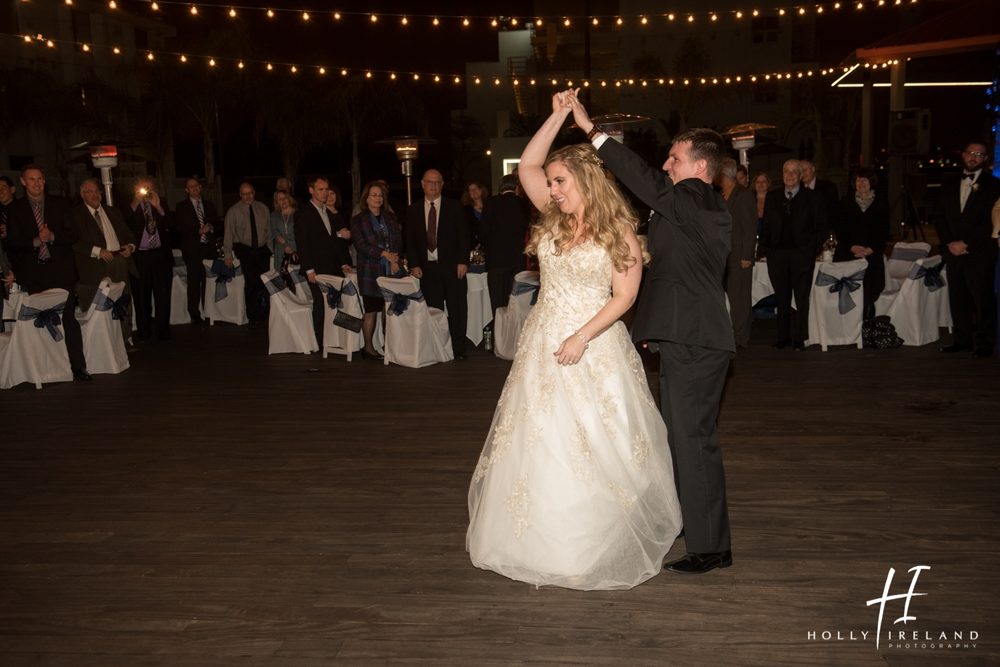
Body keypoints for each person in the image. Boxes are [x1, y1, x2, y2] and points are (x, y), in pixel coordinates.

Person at [467, 91, 682, 590]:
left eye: (561, 182)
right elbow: (529, 164)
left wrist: (582, 336)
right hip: (543, 342)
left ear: (584, 180)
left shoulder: (619, 230)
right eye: (553, 183)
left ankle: (593, 539)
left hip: (594, 341)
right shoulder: (554, 215)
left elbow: (626, 295)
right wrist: (560, 114)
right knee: (539, 438)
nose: (553, 189)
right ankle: (536, 539)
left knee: (594, 440)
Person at [570, 91, 735, 575]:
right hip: (688, 335)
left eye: (675, 158)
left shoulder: (695, 196)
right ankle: (698, 523)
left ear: (701, 167)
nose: (666, 164)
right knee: (683, 437)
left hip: (696, 337)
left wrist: (592, 131)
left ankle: (710, 548)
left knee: (693, 439)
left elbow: (645, 182)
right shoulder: (694, 206)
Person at [5, 164, 91, 380]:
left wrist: (52, 237)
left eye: (40, 179)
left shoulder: (60, 205)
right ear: (23, 182)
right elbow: (12, 244)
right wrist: (35, 241)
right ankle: (46, 368)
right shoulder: (14, 210)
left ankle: (78, 367)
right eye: (32, 179)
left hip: (61, 271)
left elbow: (73, 235)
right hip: (34, 274)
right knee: (40, 321)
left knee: (69, 319)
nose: (37, 183)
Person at [934, 141, 1000, 357]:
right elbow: (940, 217)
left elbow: (990, 221)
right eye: (970, 153)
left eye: (979, 154)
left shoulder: (994, 185)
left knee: (982, 299)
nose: (973, 157)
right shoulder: (948, 182)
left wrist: (967, 243)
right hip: (953, 250)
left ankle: (984, 343)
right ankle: (962, 340)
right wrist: (949, 244)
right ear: (963, 155)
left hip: (979, 251)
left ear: (985, 159)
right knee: (958, 297)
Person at [759, 159, 826, 350]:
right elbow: (767, 226)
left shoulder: (813, 198)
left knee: (802, 298)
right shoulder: (773, 197)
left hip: (802, 255)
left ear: (801, 175)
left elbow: (821, 227)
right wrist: (766, 249)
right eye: (786, 172)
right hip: (777, 256)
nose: (789, 176)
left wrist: (811, 250)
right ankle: (783, 338)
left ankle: (799, 339)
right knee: (782, 298)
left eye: (793, 172)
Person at [406, 169, 470, 360]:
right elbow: (410, 240)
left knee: (457, 308)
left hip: (452, 267)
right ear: (423, 184)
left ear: (442, 185)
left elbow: (464, 236)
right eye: (430, 182)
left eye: (437, 182)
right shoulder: (413, 209)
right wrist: (414, 264)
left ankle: (458, 349)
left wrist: (462, 262)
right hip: (427, 269)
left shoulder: (455, 207)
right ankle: (437, 346)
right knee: (434, 310)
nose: (433, 186)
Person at [72, 178, 137, 343]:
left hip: (120, 261)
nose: (94, 195)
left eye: (96, 191)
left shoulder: (113, 211)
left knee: (123, 300)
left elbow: (129, 234)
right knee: (100, 305)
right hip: (94, 267)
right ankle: (102, 342)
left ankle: (125, 335)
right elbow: (72, 241)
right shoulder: (75, 214)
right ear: (82, 194)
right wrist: (97, 251)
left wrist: (130, 246)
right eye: (89, 192)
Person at [295, 176, 353, 345]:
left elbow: (332, 242)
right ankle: (320, 342)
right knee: (320, 306)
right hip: (316, 269)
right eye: (321, 189)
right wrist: (309, 269)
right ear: (311, 190)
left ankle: (339, 338)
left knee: (337, 303)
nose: (325, 193)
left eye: (326, 189)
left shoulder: (326, 212)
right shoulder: (304, 213)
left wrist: (342, 262)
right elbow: (302, 243)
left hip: (332, 266)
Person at [350, 181, 403, 360]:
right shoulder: (358, 219)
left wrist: (395, 258)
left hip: (391, 270)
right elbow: (361, 245)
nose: (378, 198)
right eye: (374, 195)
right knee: (371, 310)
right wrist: (385, 255)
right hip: (370, 271)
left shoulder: (390, 217)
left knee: (390, 310)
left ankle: (391, 347)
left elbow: (398, 239)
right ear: (366, 198)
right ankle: (368, 348)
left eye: (380, 195)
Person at [833, 168, 890, 321]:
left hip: (872, 251)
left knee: (871, 284)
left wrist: (871, 248)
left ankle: (867, 321)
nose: (861, 183)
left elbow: (884, 230)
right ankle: (848, 322)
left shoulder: (881, 202)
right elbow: (840, 228)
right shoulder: (845, 202)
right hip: (848, 251)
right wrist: (852, 247)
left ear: (871, 182)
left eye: (865, 180)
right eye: (858, 180)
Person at [717, 158, 757, 348]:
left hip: (740, 256)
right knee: (730, 296)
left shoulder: (744, 195)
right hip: (725, 255)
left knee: (739, 298)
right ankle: (731, 332)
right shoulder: (724, 194)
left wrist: (747, 256)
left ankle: (741, 336)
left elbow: (750, 227)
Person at [480, 173, 531, 319]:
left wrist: (489, 249)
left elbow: (483, 232)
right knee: (515, 303)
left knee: (497, 304)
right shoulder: (522, 204)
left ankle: (499, 338)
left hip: (496, 261)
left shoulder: (490, 202)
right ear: (516, 188)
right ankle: (514, 337)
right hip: (517, 261)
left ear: (501, 188)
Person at [127, 178, 172, 341]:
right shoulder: (129, 205)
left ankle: (163, 331)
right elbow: (125, 224)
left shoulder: (161, 202)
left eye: (148, 187)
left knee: (163, 296)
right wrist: (134, 204)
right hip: (140, 257)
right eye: (142, 188)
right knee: (141, 297)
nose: (145, 191)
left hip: (161, 256)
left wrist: (159, 207)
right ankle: (143, 332)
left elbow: (171, 225)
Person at [223, 182, 271, 327]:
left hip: (262, 250)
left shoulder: (263, 208)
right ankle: (253, 315)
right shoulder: (233, 211)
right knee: (251, 282)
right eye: (244, 194)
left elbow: (268, 231)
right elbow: (228, 234)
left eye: (250, 193)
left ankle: (266, 312)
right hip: (245, 249)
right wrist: (227, 254)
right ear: (240, 195)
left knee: (265, 281)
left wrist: (271, 250)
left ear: (254, 192)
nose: (248, 196)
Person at [174, 177, 219, 324]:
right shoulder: (181, 206)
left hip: (208, 249)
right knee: (194, 282)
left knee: (209, 282)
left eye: (196, 186)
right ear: (187, 190)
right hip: (192, 250)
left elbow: (217, 224)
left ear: (200, 187)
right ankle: (194, 313)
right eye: (190, 186)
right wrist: (198, 231)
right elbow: (179, 228)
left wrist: (211, 227)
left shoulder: (210, 205)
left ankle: (209, 311)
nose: (194, 188)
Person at [269, 190, 297, 269]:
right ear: (277, 202)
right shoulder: (274, 215)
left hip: (296, 248)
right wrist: (285, 245)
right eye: (280, 199)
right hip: (281, 249)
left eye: (285, 198)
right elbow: (275, 232)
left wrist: (293, 250)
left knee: (297, 278)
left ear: (289, 199)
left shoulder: (298, 213)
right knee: (282, 275)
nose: (283, 201)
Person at [461, 180, 489, 248]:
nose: (474, 191)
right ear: (468, 194)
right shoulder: (465, 210)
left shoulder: (490, 205)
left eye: (475, 188)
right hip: (474, 246)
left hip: (490, 243)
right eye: (471, 190)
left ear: (481, 190)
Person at [752, 171, 771, 235]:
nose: (761, 184)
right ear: (754, 184)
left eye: (763, 181)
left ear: (768, 183)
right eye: (758, 182)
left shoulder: (774, 200)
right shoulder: (749, 200)